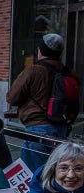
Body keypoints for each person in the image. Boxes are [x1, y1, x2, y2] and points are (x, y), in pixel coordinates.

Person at [7, 33, 70, 171]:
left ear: (41, 51)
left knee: (32, 174)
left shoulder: (34, 70)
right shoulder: (67, 72)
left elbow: (12, 97)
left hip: (37, 130)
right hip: (61, 129)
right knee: (55, 172)